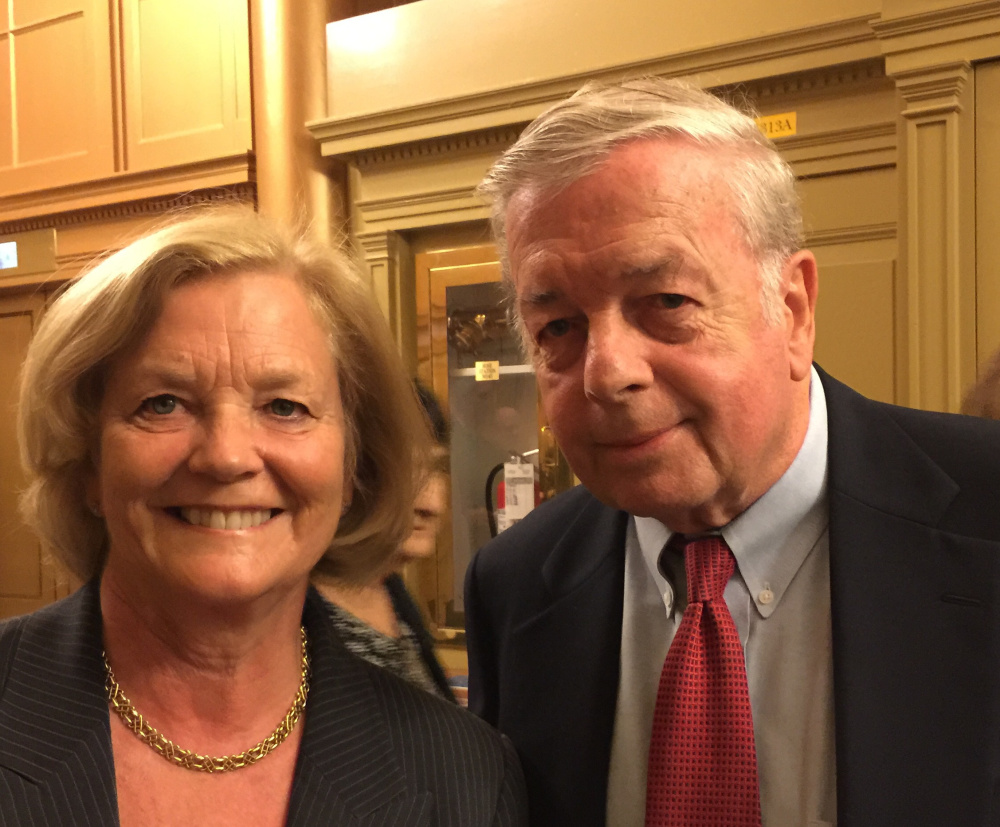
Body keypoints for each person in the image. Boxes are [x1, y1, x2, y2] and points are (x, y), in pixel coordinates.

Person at [464, 77, 1000, 827]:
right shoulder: (517, 584)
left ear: (793, 308)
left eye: (667, 303)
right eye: (558, 326)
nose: (607, 371)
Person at [1, 207, 527, 825]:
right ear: (86, 459)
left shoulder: (465, 774)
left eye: (284, 406)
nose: (226, 456)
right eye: (163, 403)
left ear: (351, 462)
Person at [316, 380, 455, 701]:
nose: (429, 504)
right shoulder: (294, 617)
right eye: (407, 471)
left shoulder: (391, 592)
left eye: (435, 469)